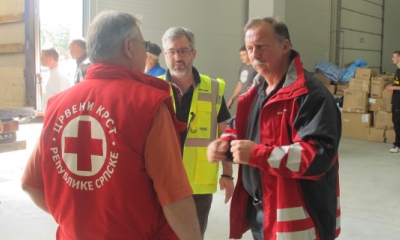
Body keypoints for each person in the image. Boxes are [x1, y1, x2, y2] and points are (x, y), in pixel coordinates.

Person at [22, 10, 201, 240]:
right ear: (128, 47)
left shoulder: (57, 105)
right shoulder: (148, 105)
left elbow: (30, 185)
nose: (145, 51)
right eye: (142, 43)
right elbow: (175, 198)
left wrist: (73, 221)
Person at [207, 17, 341, 240]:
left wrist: (257, 154)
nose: (254, 54)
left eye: (261, 47)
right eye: (250, 48)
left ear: (285, 46)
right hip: (261, 212)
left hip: (300, 222)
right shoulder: (255, 91)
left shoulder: (310, 95)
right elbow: (238, 126)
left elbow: (318, 156)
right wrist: (225, 143)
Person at [158, 26, 234, 238]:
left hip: (198, 187)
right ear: (165, 55)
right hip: (162, 181)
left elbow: (223, 135)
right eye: (171, 51)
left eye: (183, 50)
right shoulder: (152, 89)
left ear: (194, 53)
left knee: (193, 235)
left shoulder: (213, 88)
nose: (177, 57)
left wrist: (227, 174)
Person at [385, 50, 400, 153]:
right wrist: (392, 86)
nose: (392, 59)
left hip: (399, 101)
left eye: (394, 57)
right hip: (396, 100)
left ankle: (397, 145)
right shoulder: (397, 71)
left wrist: (393, 88)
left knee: (397, 122)